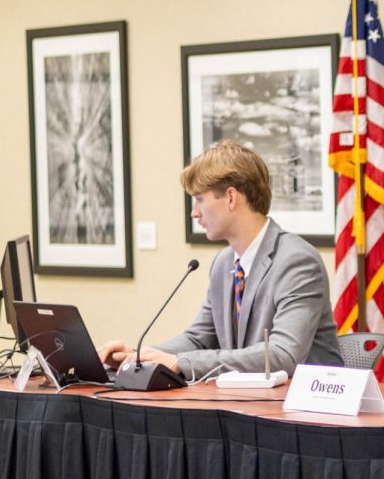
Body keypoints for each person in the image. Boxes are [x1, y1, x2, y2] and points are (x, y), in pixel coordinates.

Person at [99, 140, 343, 379]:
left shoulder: (297, 261)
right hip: (245, 406)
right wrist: (137, 357)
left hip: (305, 410)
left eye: (200, 199)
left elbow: (282, 355)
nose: (194, 212)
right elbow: (199, 338)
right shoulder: (223, 263)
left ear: (230, 198)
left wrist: (182, 363)